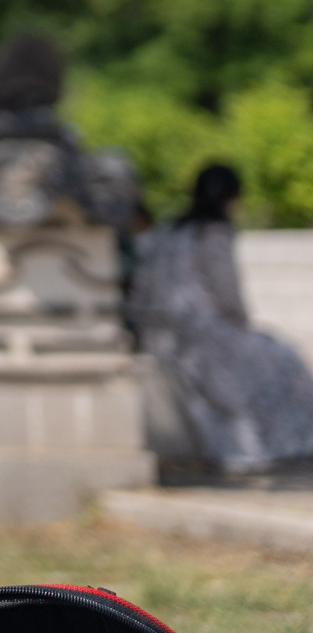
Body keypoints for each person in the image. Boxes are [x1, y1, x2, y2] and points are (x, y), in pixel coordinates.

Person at [131, 163, 313, 472]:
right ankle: (278, 446)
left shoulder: (167, 229)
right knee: (284, 357)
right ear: (231, 196)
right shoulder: (213, 232)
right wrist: (243, 326)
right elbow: (228, 296)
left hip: (157, 334)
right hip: (201, 336)